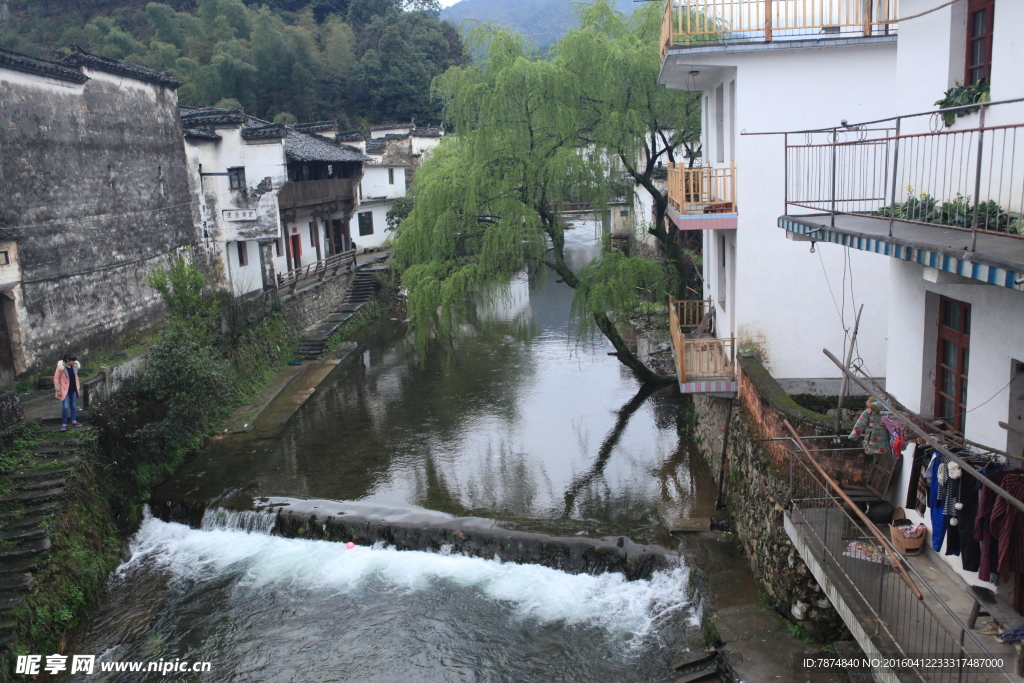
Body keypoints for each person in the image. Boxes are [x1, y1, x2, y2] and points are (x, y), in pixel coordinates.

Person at [54, 354, 82, 431]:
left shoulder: (75, 366)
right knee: (65, 406)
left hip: (73, 388)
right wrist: (58, 390)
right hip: (64, 389)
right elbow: (56, 378)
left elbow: (75, 377)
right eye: (72, 360)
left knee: (73, 405)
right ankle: (64, 423)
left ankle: (74, 421)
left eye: (75, 360)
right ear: (68, 360)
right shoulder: (61, 368)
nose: (74, 362)